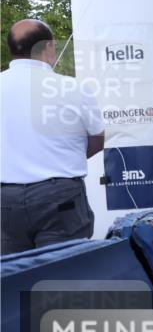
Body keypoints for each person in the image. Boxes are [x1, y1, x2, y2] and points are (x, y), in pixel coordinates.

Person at [1, 19, 105, 254]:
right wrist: (61, 159)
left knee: (11, 279)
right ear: (48, 47)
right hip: (60, 197)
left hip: (5, 200)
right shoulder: (74, 88)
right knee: (61, 278)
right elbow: (97, 140)